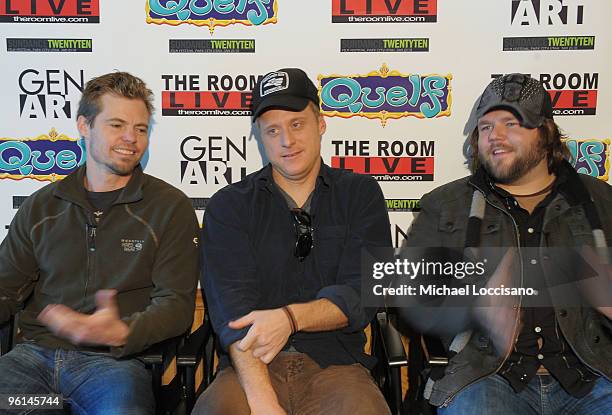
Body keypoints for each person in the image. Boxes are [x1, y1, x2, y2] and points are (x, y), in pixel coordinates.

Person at [399, 73, 611, 414]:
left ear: (546, 131)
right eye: (485, 127)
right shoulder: (444, 204)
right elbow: (410, 298)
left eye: (510, 123)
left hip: (592, 374)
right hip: (486, 376)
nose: (494, 136)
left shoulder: (599, 201)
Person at [194, 68, 392, 415]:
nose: (287, 140)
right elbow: (233, 313)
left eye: (297, 124)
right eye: (273, 130)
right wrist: (263, 402)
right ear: (259, 136)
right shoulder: (230, 205)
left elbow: (363, 293)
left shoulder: (360, 193)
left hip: (338, 367)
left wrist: (289, 318)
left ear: (321, 123)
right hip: (250, 367)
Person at [0, 72, 199, 414]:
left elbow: (177, 307)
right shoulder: (42, 206)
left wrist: (121, 331)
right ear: (84, 126)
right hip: (33, 361)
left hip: (113, 366)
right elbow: (5, 288)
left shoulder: (170, 207)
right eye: (116, 125)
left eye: (140, 128)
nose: (131, 139)